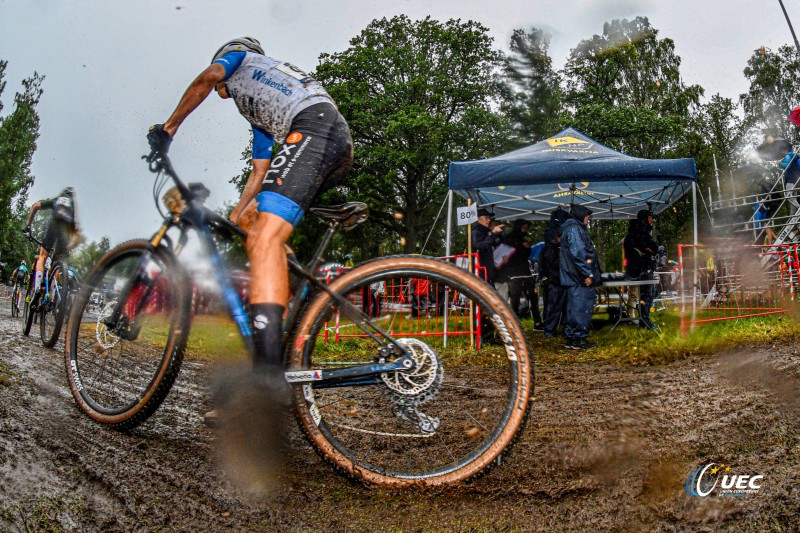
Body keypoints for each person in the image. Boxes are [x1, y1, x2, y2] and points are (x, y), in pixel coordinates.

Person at [148, 37, 353, 384]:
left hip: (313, 130)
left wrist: (168, 130)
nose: (217, 91)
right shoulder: (255, 107)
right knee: (251, 225)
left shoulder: (241, 60)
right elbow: (260, 171)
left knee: (264, 239)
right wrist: (237, 215)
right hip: (321, 135)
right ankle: (285, 315)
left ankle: (268, 370)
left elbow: (207, 77)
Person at [24, 187, 81, 297]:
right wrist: (68, 247)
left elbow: (35, 205)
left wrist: (28, 226)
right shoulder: (72, 206)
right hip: (66, 229)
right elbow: (77, 235)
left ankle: (36, 289)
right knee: (57, 262)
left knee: (43, 255)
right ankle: (51, 293)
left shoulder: (58, 199)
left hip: (54, 223)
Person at [559, 204, 601, 350]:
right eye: (587, 216)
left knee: (572, 308)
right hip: (579, 278)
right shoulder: (575, 229)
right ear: (580, 215)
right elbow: (578, 254)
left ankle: (571, 337)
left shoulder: (569, 228)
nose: (588, 219)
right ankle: (578, 339)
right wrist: (588, 273)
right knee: (581, 308)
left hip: (572, 277)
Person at [500, 219, 543, 327]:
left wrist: (527, 248)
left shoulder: (526, 237)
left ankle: (537, 321)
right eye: (524, 227)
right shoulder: (509, 238)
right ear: (518, 226)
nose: (525, 229)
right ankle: (514, 323)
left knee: (533, 296)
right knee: (515, 298)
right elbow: (505, 252)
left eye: (527, 227)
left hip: (525, 271)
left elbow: (526, 254)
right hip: (514, 272)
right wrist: (521, 247)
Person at [623, 209, 659, 330]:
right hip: (643, 270)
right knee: (646, 295)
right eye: (649, 217)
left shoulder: (636, 233)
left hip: (639, 269)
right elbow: (653, 248)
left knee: (642, 295)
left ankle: (641, 319)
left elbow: (653, 248)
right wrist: (647, 254)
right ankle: (645, 321)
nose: (651, 220)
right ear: (644, 219)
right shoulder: (640, 233)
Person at [541, 208, 568, 338]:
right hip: (556, 278)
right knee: (554, 306)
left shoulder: (551, 243)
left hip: (558, 278)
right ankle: (549, 330)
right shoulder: (552, 246)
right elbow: (550, 262)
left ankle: (552, 329)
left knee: (557, 306)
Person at [471, 208, 503, 285]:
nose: (488, 220)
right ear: (479, 219)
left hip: (489, 271)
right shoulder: (476, 232)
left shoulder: (487, 232)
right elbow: (479, 247)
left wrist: (498, 234)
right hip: (481, 272)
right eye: (486, 218)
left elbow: (496, 245)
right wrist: (493, 233)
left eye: (489, 218)